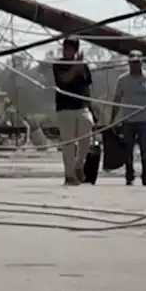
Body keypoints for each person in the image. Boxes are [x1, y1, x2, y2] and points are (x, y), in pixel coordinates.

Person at [110, 50, 146, 186]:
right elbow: (117, 100)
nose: (135, 65)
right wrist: (112, 119)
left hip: (145, 119)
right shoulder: (122, 80)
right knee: (128, 150)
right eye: (132, 62)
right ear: (128, 63)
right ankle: (129, 174)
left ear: (141, 62)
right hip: (128, 119)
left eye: (137, 62)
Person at [52, 37, 94, 186]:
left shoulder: (83, 65)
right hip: (65, 108)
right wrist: (75, 68)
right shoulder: (58, 64)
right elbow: (64, 80)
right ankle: (69, 175)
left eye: (71, 49)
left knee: (86, 137)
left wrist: (81, 67)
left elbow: (88, 83)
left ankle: (79, 165)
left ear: (76, 51)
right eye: (66, 48)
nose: (67, 51)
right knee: (68, 143)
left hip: (82, 106)